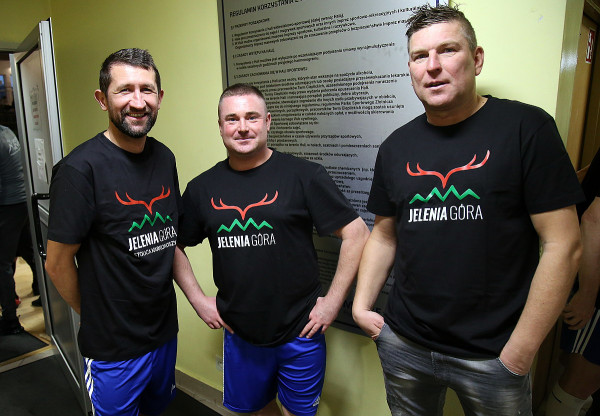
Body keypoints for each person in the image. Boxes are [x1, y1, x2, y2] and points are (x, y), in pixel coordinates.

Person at [352, 5, 583, 416]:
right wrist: (361, 306)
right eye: (420, 56)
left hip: (493, 355)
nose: (432, 66)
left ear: (476, 59)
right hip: (404, 343)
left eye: (448, 50)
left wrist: (521, 350)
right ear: (410, 67)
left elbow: (563, 244)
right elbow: (384, 235)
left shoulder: (526, 128)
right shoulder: (396, 147)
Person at [173, 83, 369, 416]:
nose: (242, 127)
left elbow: (357, 234)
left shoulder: (303, 175)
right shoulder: (202, 188)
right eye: (232, 119)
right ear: (220, 126)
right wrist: (198, 300)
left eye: (252, 117)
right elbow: (173, 244)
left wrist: (332, 303)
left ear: (267, 122)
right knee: (257, 410)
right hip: (240, 332)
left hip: (300, 330)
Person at [45, 48, 181, 416]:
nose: (138, 102)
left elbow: (170, 240)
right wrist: (96, 317)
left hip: (163, 332)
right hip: (114, 349)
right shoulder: (79, 171)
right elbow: (57, 264)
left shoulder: (164, 158)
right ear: (102, 99)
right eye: (124, 90)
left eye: (146, 89)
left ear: (159, 97)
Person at [543, 150, 600, 416]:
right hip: (595, 292)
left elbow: (581, 179)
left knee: (583, 385)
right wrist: (587, 295)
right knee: (579, 383)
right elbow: (594, 220)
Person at [0, 124, 27, 334]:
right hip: (21, 201)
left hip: (8, 205)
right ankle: (39, 291)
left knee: (2, 263)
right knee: (27, 249)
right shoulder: (6, 131)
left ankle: (10, 321)